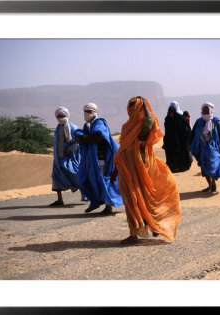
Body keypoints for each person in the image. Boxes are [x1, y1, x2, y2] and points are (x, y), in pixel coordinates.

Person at [111, 96, 182, 244]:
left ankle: (153, 226)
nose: (130, 109)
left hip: (141, 167)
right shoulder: (127, 126)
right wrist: (116, 169)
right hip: (126, 168)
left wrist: (145, 104)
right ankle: (135, 233)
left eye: (134, 106)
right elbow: (122, 150)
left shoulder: (143, 126)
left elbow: (150, 121)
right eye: (129, 105)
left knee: (143, 199)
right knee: (131, 200)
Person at [75, 103, 123, 213]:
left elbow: (99, 138)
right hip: (91, 159)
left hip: (101, 159)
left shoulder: (99, 123)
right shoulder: (88, 125)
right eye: (85, 111)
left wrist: (83, 138)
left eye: (88, 111)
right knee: (88, 180)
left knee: (102, 181)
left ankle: (108, 206)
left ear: (94, 112)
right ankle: (95, 201)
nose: (86, 113)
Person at [189, 102, 220, 193]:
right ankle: (209, 185)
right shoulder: (199, 121)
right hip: (201, 148)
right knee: (204, 166)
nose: (205, 111)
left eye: (207, 109)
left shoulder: (215, 121)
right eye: (204, 109)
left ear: (210, 110)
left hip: (213, 149)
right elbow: (193, 133)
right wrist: (189, 144)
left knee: (213, 166)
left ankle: (213, 182)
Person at [50, 107, 85, 206]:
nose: (60, 118)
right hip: (58, 158)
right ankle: (60, 200)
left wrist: (70, 149)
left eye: (62, 116)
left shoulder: (72, 127)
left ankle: (87, 195)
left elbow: (78, 141)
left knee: (76, 175)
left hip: (70, 158)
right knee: (56, 177)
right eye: (59, 116)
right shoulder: (58, 128)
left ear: (66, 115)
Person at [162, 102, 192, 173]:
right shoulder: (167, 119)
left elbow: (187, 129)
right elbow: (167, 130)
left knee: (180, 154)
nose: (171, 114)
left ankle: (181, 167)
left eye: (172, 112)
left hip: (180, 140)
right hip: (170, 141)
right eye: (170, 112)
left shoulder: (181, 119)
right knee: (171, 155)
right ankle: (172, 167)